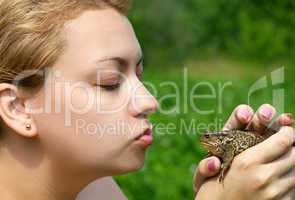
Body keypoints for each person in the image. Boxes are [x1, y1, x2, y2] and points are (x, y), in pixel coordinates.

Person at [0, 0, 294, 199]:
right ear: (20, 108)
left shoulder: (92, 188)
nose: (149, 102)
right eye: (110, 82)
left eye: (139, 75)